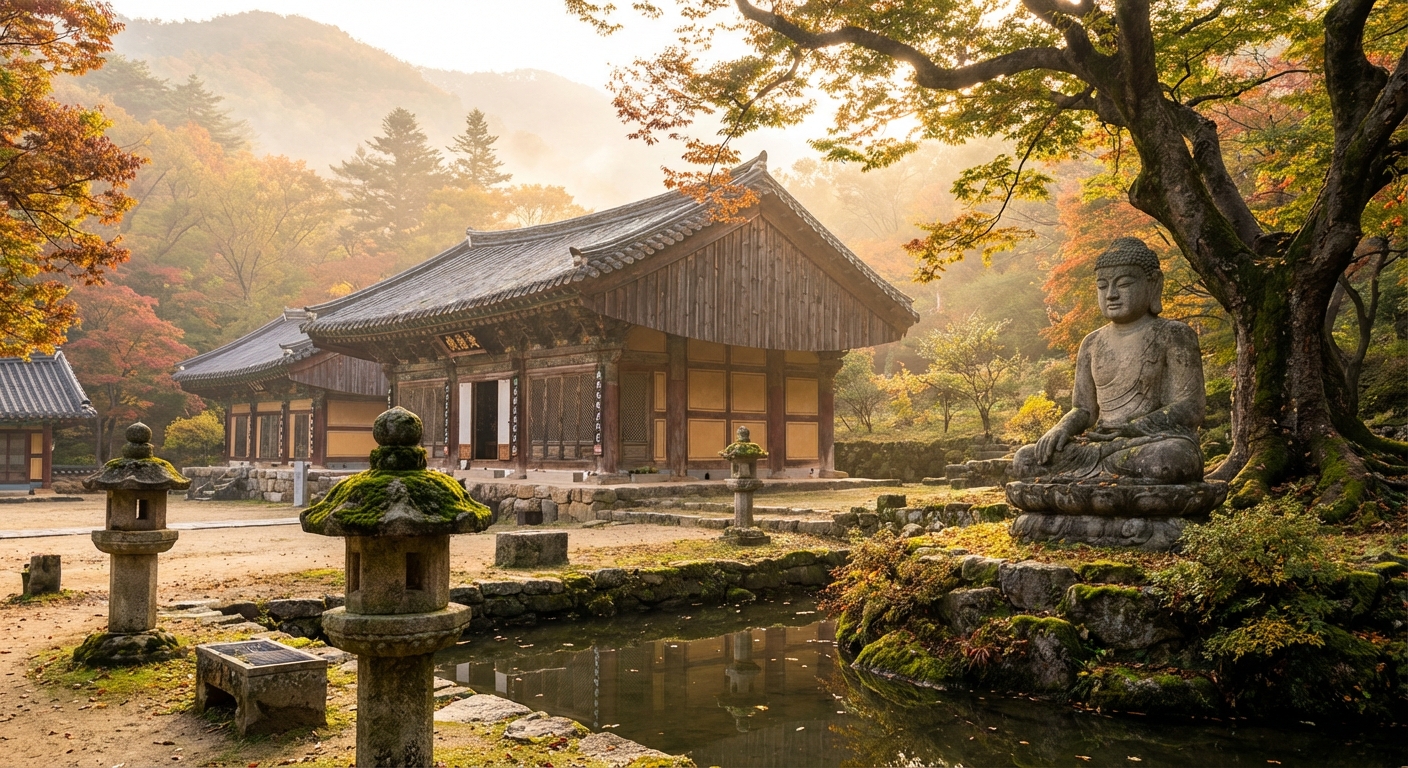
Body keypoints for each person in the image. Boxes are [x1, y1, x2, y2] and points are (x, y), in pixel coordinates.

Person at [1012, 237, 1205, 484]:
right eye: (1102, 286)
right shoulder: (1092, 343)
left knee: (1170, 459)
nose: (1111, 294)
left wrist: (1135, 427)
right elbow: (1083, 409)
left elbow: (1191, 406)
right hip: (1098, 446)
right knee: (1026, 460)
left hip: (1149, 442)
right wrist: (1061, 428)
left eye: (1123, 284)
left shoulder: (1174, 334)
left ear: (1153, 284)